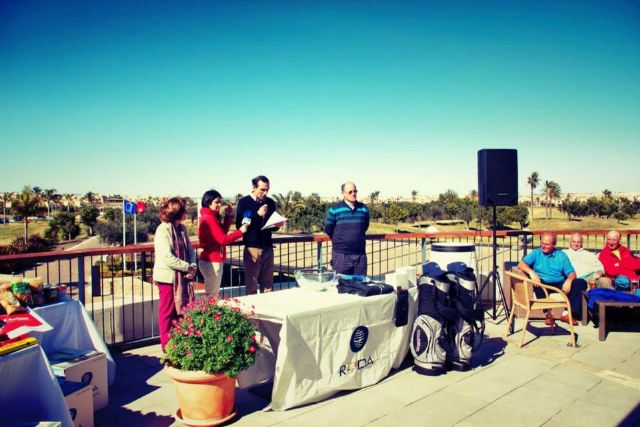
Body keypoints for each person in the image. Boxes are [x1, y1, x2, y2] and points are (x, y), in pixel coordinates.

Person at [153, 197, 197, 352]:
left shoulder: (182, 229)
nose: (187, 212)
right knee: (167, 312)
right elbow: (167, 257)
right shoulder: (163, 229)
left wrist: (192, 265)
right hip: (167, 279)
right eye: (184, 210)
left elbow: (190, 250)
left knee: (182, 311)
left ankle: (181, 344)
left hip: (182, 277)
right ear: (178, 212)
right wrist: (188, 267)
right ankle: (168, 347)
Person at [517, 232, 587, 325]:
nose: (543, 246)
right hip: (542, 283)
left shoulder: (561, 256)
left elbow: (572, 273)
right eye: (542, 243)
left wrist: (569, 280)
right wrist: (531, 273)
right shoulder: (536, 253)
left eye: (547, 244)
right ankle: (548, 314)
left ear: (554, 245)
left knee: (581, 283)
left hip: (559, 284)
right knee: (538, 283)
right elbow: (521, 264)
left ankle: (567, 314)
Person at [235, 175, 282, 294]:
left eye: (267, 190)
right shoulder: (244, 202)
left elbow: (269, 227)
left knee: (268, 285)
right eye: (262, 189)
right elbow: (240, 226)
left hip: (268, 247)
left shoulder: (270, 202)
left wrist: (276, 225)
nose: (265, 193)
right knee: (251, 285)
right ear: (253, 187)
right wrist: (257, 215)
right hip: (252, 248)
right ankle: (253, 312)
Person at [198, 189, 248, 297]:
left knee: (212, 294)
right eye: (217, 202)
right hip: (212, 261)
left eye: (220, 202)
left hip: (211, 260)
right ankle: (209, 313)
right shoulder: (209, 219)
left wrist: (228, 217)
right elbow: (223, 239)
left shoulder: (210, 217)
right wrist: (241, 231)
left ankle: (210, 313)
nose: (220, 204)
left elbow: (220, 234)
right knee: (212, 296)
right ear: (208, 203)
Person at [324, 182, 370, 275]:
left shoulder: (364, 208)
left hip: (360, 255)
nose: (353, 193)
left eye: (355, 191)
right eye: (350, 192)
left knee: (360, 285)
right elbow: (328, 228)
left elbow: (364, 226)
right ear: (343, 193)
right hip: (341, 255)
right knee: (342, 285)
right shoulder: (335, 209)